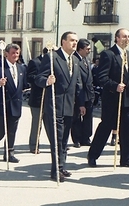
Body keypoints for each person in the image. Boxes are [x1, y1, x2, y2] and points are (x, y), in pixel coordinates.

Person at [87, 28, 129, 168]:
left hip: (128, 99)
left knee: (128, 129)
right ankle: (93, 156)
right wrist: (115, 86)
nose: (127, 39)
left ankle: (126, 159)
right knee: (105, 128)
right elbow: (102, 77)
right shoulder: (108, 54)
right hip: (113, 100)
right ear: (117, 38)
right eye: (124, 36)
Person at [35, 32, 83, 182]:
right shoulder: (52, 57)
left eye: (76, 41)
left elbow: (77, 84)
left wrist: (82, 103)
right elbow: (38, 78)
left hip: (69, 106)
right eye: (71, 40)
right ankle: (55, 170)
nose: (74, 43)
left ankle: (61, 166)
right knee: (57, 139)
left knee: (64, 140)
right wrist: (47, 81)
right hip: (54, 105)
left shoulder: (75, 60)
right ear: (63, 42)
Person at [0, 43, 27, 163]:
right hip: (2, 105)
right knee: (0, 130)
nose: (15, 55)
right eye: (13, 53)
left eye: (17, 53)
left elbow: (24, 85)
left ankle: (9, 153)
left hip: (16, 105)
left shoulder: (22, 68)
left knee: (12, 131)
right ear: (6, 54)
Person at [71, 39, 95, 148]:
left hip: (88, 95)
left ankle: (86, 137)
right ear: (80, 49)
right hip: (78, 94)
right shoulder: (74, 60)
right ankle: (77, 139)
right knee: (76, 118)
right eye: (87, 49)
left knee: (88, 118)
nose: (89, 51)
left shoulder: (87, 60)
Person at [27, 47, 48, 154]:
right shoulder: (35, 62)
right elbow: (29, 77)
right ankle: (34, 145)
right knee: (37, 124)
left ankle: (57, 145)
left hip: (50, 99)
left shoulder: (54, 63)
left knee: (52, 124)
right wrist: (41, 79)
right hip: (37, 99)